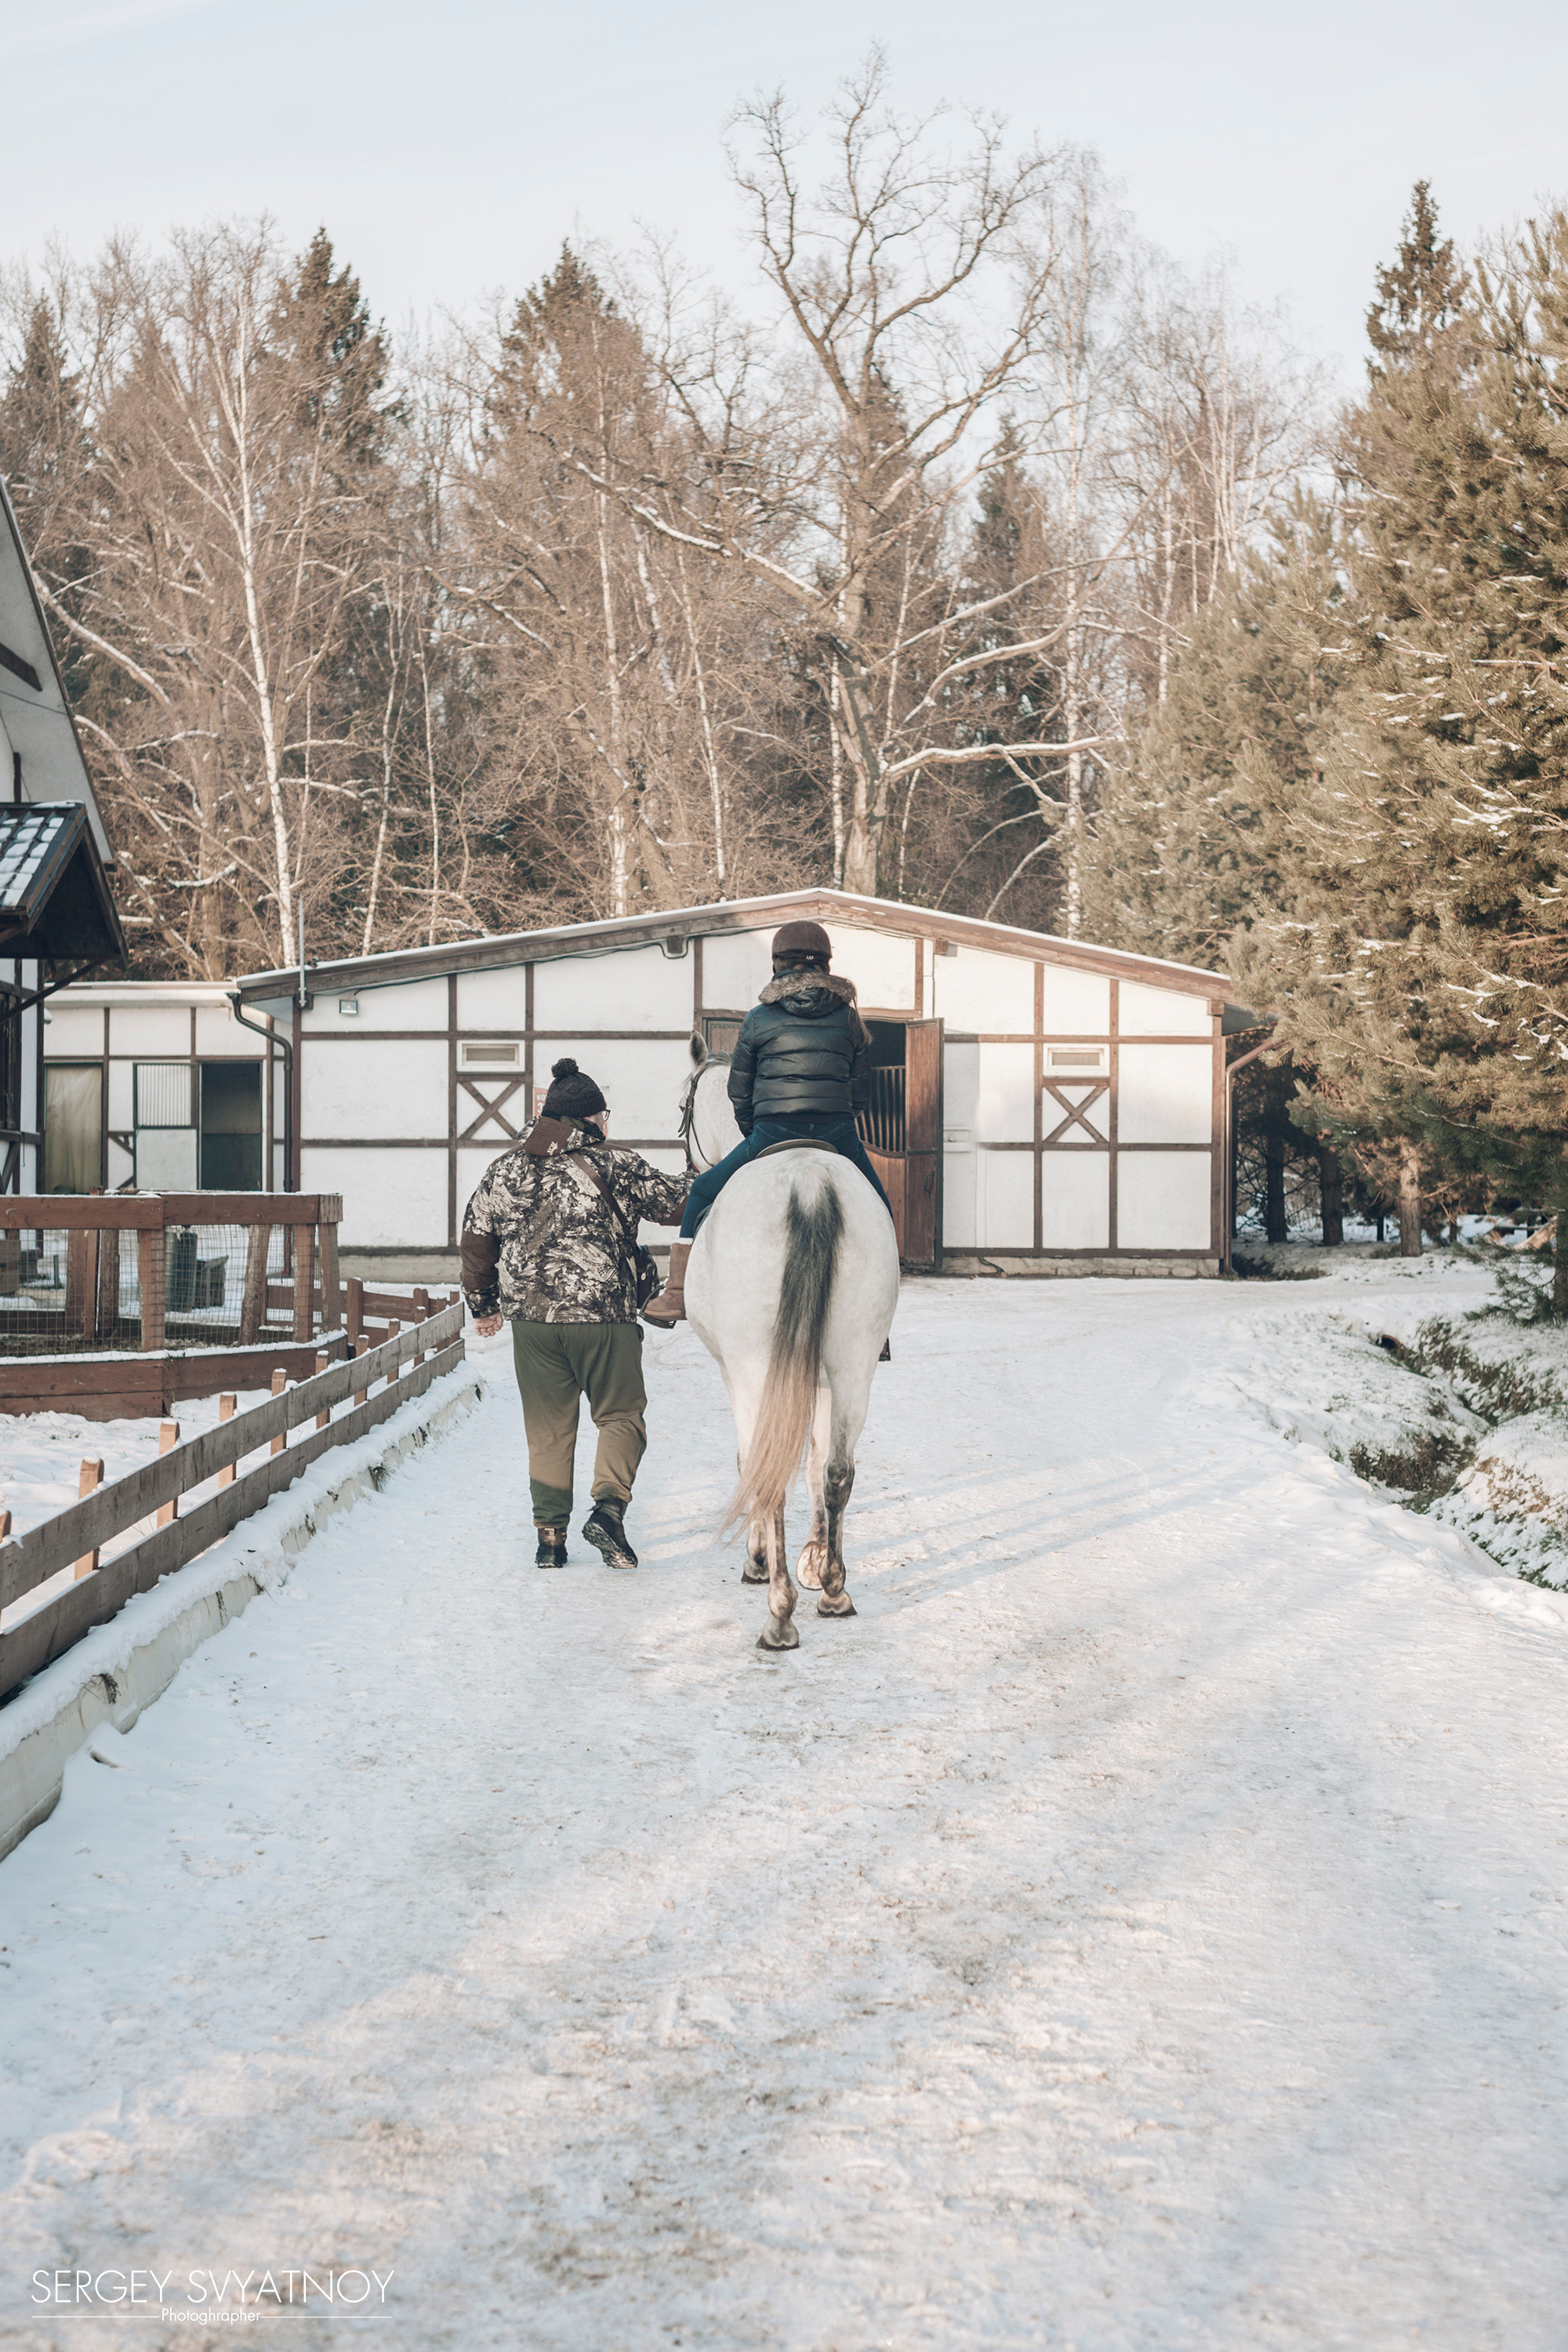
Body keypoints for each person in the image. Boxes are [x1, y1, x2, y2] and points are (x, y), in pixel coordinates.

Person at [461, 1057, 688, 1568]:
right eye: (605, 1115)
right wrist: (707, 1168)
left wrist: (484, 1305)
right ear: (587, 1120)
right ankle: (608, 1510)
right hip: (604, 1319)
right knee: (621, 1417)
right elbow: (678, 1203)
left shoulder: (505, 1168)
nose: (610, 1124)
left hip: (535, 1327)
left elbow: (476, 1239)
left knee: (547, 1429)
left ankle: (550, 1541)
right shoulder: (618, 1164)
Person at [644, 920, 893, 1327]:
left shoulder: (760, 1017)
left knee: (703, 1190)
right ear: (826, 964)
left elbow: (739, 1089)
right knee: (880, 1208)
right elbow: (861, 1094)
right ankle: (876, 1320)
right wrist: (838, 1118)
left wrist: (753, 1130)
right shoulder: (850, 1019)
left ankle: (677, 1293)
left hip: (774, 1131)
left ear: (778, 963)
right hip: (837, 1133)